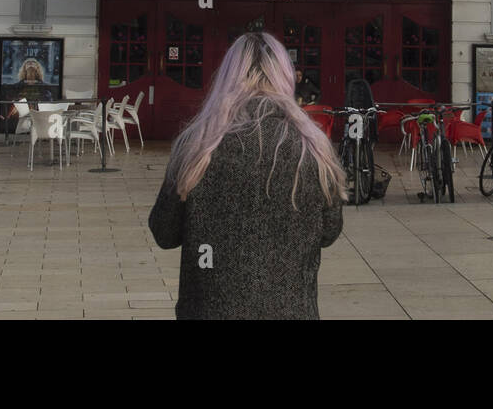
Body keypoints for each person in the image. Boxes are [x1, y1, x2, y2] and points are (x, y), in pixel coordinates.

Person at [148, 31, 345, 319]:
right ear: (285, 76)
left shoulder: (198, 145)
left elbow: (164, 232)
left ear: (227, 77)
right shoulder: (312, 146)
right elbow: (328, 231)